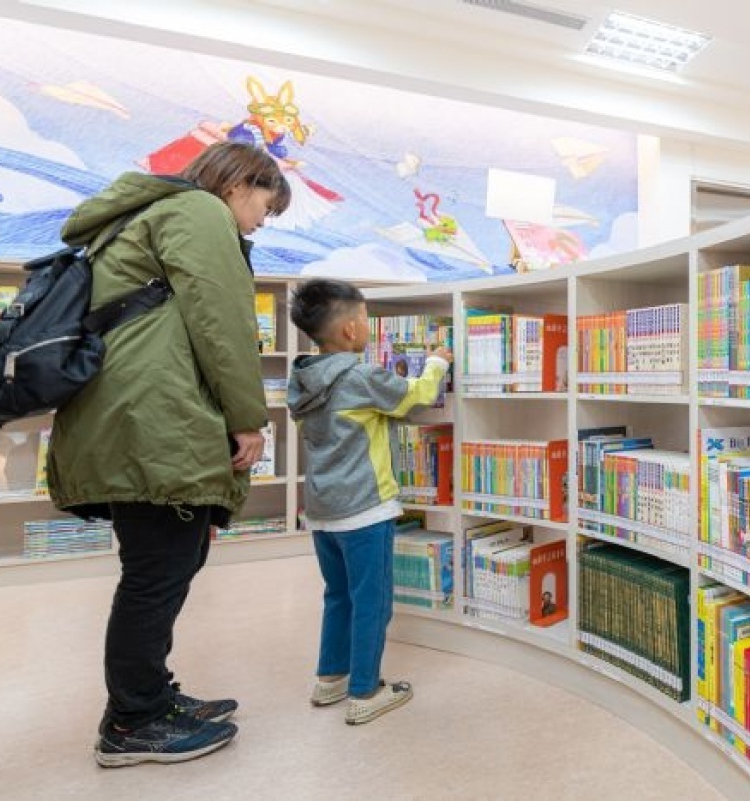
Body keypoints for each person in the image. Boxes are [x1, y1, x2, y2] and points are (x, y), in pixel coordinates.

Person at [46, 142, 291, 767]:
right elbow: (224, 320)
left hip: (127, 415)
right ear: (240, 183)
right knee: (155, 576)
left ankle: (148, 697)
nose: (264, 219)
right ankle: (133, 723)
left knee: (158, 569)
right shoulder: (199, 212)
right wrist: (247, 418)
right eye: (268, 203)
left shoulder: (138, 218)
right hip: (157, 419)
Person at [288, 279, 452, 724]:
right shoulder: (360, 377)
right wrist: (436, 363)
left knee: (337, 595)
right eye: (365, 321)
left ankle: (330, 679)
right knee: (372, 601)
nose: (368, 330)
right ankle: (366, 690)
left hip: (322, 512)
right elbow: (414, 396)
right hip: (364, 509)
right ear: (349, 332)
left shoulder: (301, 377)